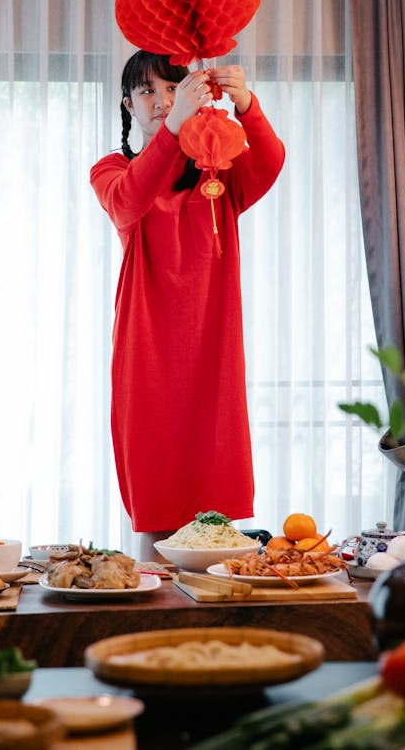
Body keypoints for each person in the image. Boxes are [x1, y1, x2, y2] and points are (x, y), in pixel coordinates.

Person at [90, 51, 285, 562]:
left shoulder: (217, 174)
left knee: (215, 521)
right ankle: (152, 627)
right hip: (148, 358)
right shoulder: (111, 171)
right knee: (156, 512)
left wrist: (246, 105)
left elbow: (269, 163)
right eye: (148, 92)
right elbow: (132, 199)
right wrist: (174, 133)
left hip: (213, 356)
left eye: (172, 89)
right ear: (127, 105)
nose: (161, 102)